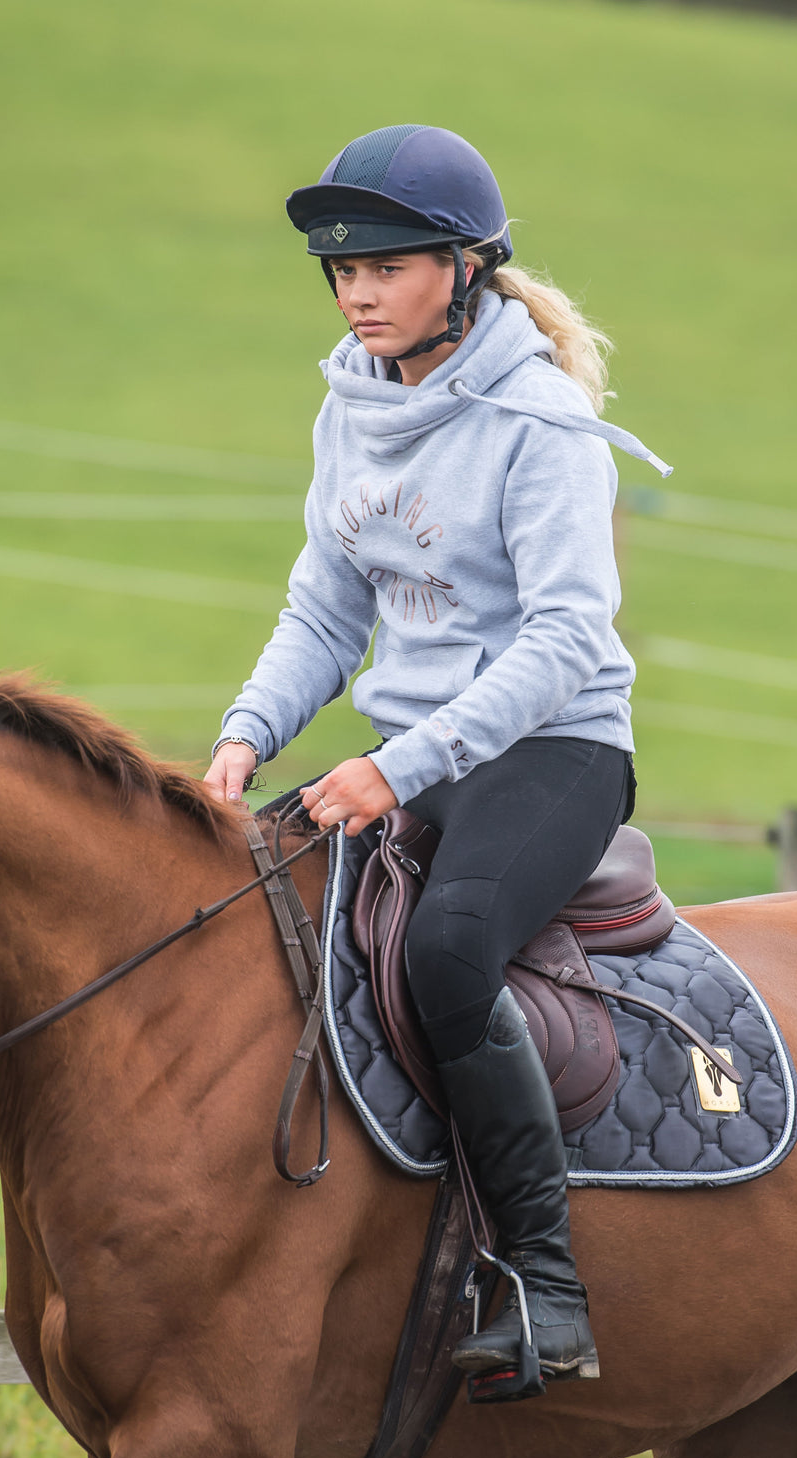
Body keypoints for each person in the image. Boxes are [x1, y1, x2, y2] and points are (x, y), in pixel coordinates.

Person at [204, 125, 671, 1391]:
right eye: (339, 271)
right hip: (416, 749)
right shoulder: (350, 407)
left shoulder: (543, 426)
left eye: (388, 266)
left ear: (464, 269)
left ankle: (548, 1287)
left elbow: (570, 637)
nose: (357, 290)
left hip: (551, 747)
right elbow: (325, 610)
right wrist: (248, 731)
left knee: (448, 950)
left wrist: (401, 766)